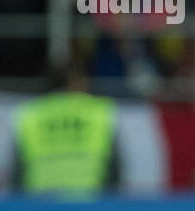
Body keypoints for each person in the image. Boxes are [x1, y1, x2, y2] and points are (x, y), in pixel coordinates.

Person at [13, 62, 119, 197]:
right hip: (90, 203)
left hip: (39, 204)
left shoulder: (30, 114)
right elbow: (115, 170)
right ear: (76, 83)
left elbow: (16, 173)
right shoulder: (99, 111)